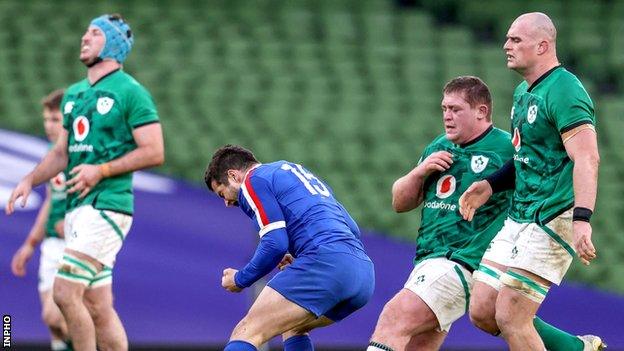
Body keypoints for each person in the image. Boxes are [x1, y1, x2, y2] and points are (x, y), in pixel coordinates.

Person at [5, 13, 164, 351]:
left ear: (115, 44)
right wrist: (30, 179)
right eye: (85, 32)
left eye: (95, 33)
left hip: (108, 206)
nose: (84, 37)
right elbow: (61, 152)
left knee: (64, 292)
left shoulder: (131, 92)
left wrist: (101, 170)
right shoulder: (76, 93)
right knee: (98, 306)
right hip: (79, 210)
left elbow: (154, 151)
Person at [459, 12, 604, 351]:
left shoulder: (565, 89)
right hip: (521, 215)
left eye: (515, 39)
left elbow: (586, 157)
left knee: (512, 316)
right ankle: (577, 348)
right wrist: (491, 184)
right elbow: (530, 156)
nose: (506, 45)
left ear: (542, 45)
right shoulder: (525, 91)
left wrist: (582, 219)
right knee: (482, 310)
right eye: (507, 38)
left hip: (554, 215)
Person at [367, 76, 514, 351]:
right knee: (416, 345)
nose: (447, 116)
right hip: (429, 258)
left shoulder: (506, 149)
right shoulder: (439, 146)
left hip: (461, 259)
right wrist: (420, 172)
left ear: (481, 111)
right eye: (444, 108)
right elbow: (400, 202)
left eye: (456, 109)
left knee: (393, 318)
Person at [204, 145, 375, 351]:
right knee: (293, 328)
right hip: (362, 273)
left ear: (233, 175)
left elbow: (275, 243)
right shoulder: (291, 171)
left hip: (327, 263)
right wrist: (302, 253)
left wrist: (240, 279)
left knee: (247, 331)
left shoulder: (253, 180)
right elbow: (352, 228)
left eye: (222, 193)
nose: (226, 203)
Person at [10, 89, 73, 351]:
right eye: (47, 119)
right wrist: (29, 244)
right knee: (54, 327)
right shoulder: (52, 153)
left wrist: (72, 225)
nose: (49, 125)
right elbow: (50, 199)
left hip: (74, 245)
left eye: (55, 120)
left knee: (55, 314)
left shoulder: (80, 153)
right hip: (50, 244)